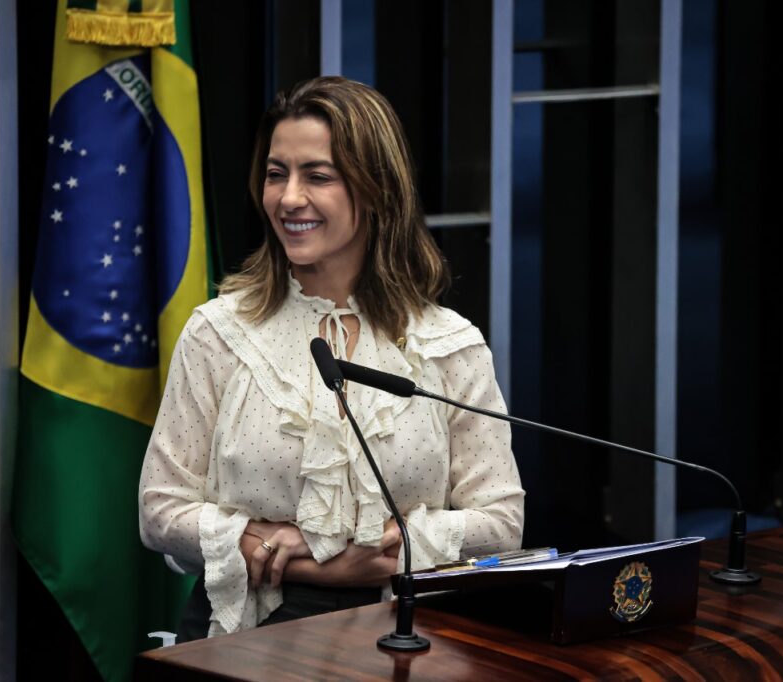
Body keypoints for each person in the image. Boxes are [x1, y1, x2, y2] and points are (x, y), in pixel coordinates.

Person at [138, 76, 524, 640]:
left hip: (406, 632)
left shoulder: (450, 345)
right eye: (276, 174)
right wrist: (324, 564)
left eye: (318, 176)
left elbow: (502, 524)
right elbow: (160, 510)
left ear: (376, 188)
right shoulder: (218, 333)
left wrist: (386, 552)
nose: (288, 198)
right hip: (248, 634)